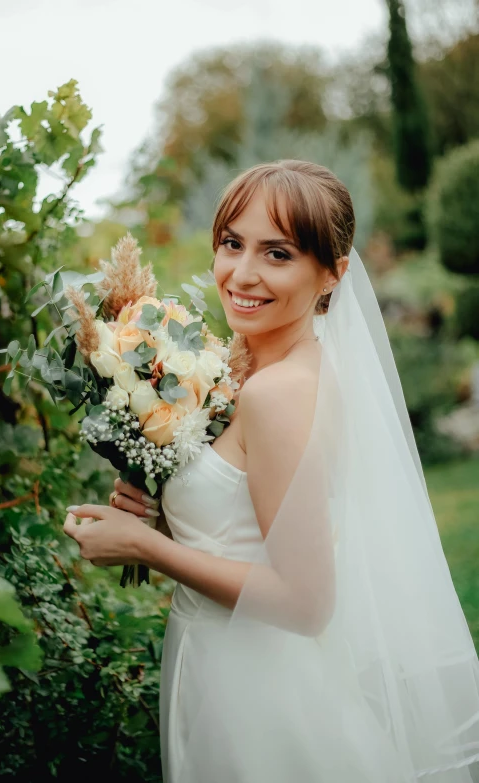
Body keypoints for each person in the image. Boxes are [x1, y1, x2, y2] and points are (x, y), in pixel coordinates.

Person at [64, 160, 479, 783]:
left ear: (332, 275)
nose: (242, 273)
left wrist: (145, 546)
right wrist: (166, 517)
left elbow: (305, 601)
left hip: (262, 692)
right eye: (232, 243)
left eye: (278, 254)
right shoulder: (246, 376)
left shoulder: (278, 393)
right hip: (224, 667)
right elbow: (258, 534)